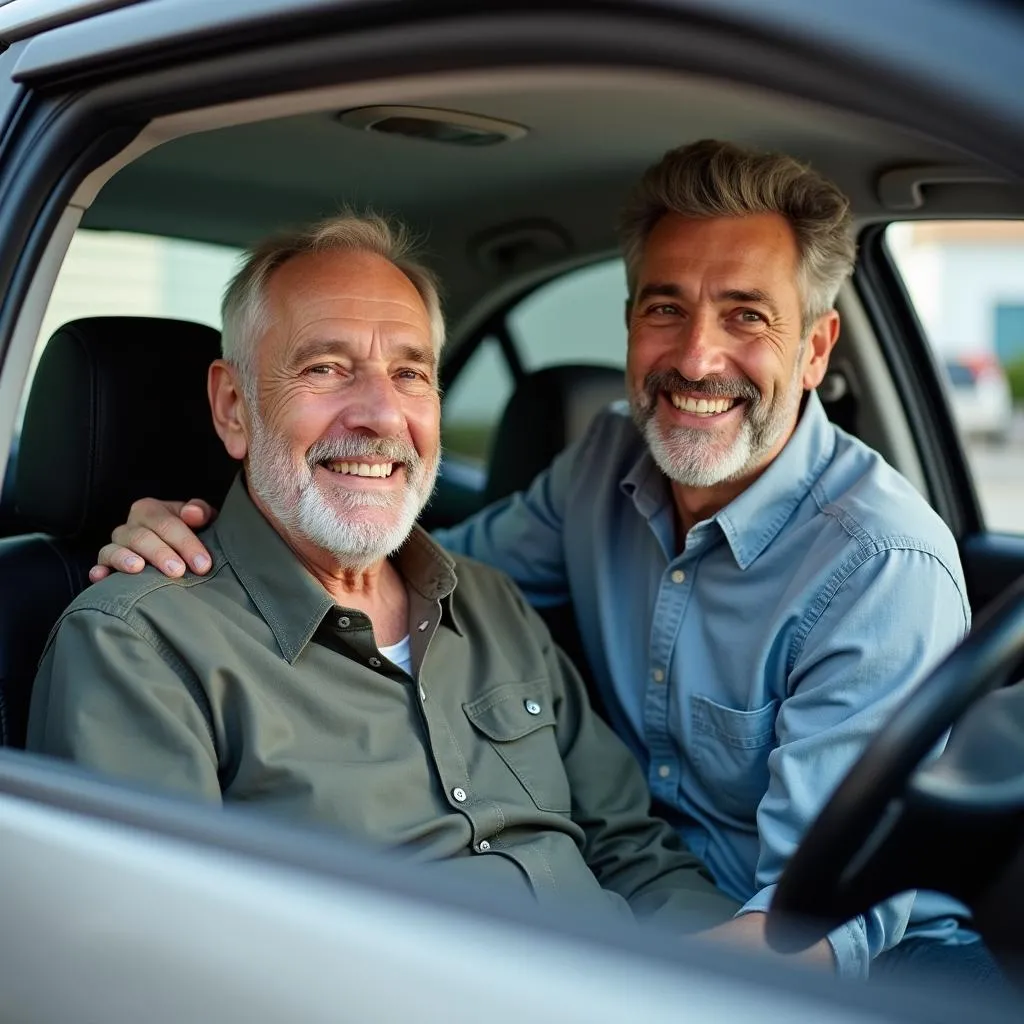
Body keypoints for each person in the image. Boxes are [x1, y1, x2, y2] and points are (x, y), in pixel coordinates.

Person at [87, 142, 985, 981]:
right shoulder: (148, 639)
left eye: (746, 315)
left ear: (815, 349)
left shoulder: (881, 564)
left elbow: (812, 914)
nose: (698, 356)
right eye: (666, 308)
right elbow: (155, 964)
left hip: (823, 961)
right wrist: (201, 532)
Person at [26, 213, 771, 947]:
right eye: (325, 368)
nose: (382, 415)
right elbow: (161, 963)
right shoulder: (140, 644)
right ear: (233, 407)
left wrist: (746, 983)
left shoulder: (490, 602)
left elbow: (635, 857)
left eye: (410, 373)